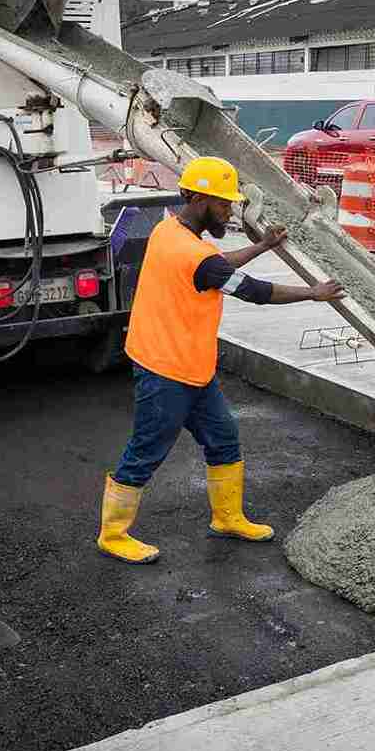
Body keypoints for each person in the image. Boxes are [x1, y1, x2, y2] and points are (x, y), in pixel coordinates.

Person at [98, 156, 345, 564]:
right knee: (147, 450)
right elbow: (251, 291)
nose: (229, 212)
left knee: (223, 438)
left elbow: (216, 265)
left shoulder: (170, 230)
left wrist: (262, 245)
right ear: (196, 198)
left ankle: (227, 517)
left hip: (191, 365)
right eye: (223, 204)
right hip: (166, 369)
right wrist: (312, 293)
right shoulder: (192, 254)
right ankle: (113, 533)